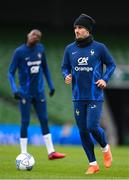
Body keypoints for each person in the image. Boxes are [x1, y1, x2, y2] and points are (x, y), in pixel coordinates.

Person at [61, 14, 116, 174]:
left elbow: (111, 64)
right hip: (78, 96)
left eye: (80, 27)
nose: (77, 31)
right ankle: (93, 164)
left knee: (92, 126)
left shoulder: (99, 48)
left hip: (94, 95)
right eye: (75, 28)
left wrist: (105, 79)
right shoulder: (69, 49)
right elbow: (64, 67)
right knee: (83, 130)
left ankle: (105, 148)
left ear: (88, 30)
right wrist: (66, 75)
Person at [8, 29, 65, 160]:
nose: (35, 36)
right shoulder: (19, 52)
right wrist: (14, 89)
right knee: (25, 121)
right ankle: (23, 153)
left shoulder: (40, 49)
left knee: (44, 120)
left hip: (39, 92)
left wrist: (51, 85)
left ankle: (51, 152)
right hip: (25, 93)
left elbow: (45, 68)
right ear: (28, 35)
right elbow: (10, 72)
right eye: (33, 34)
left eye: (38, 36)